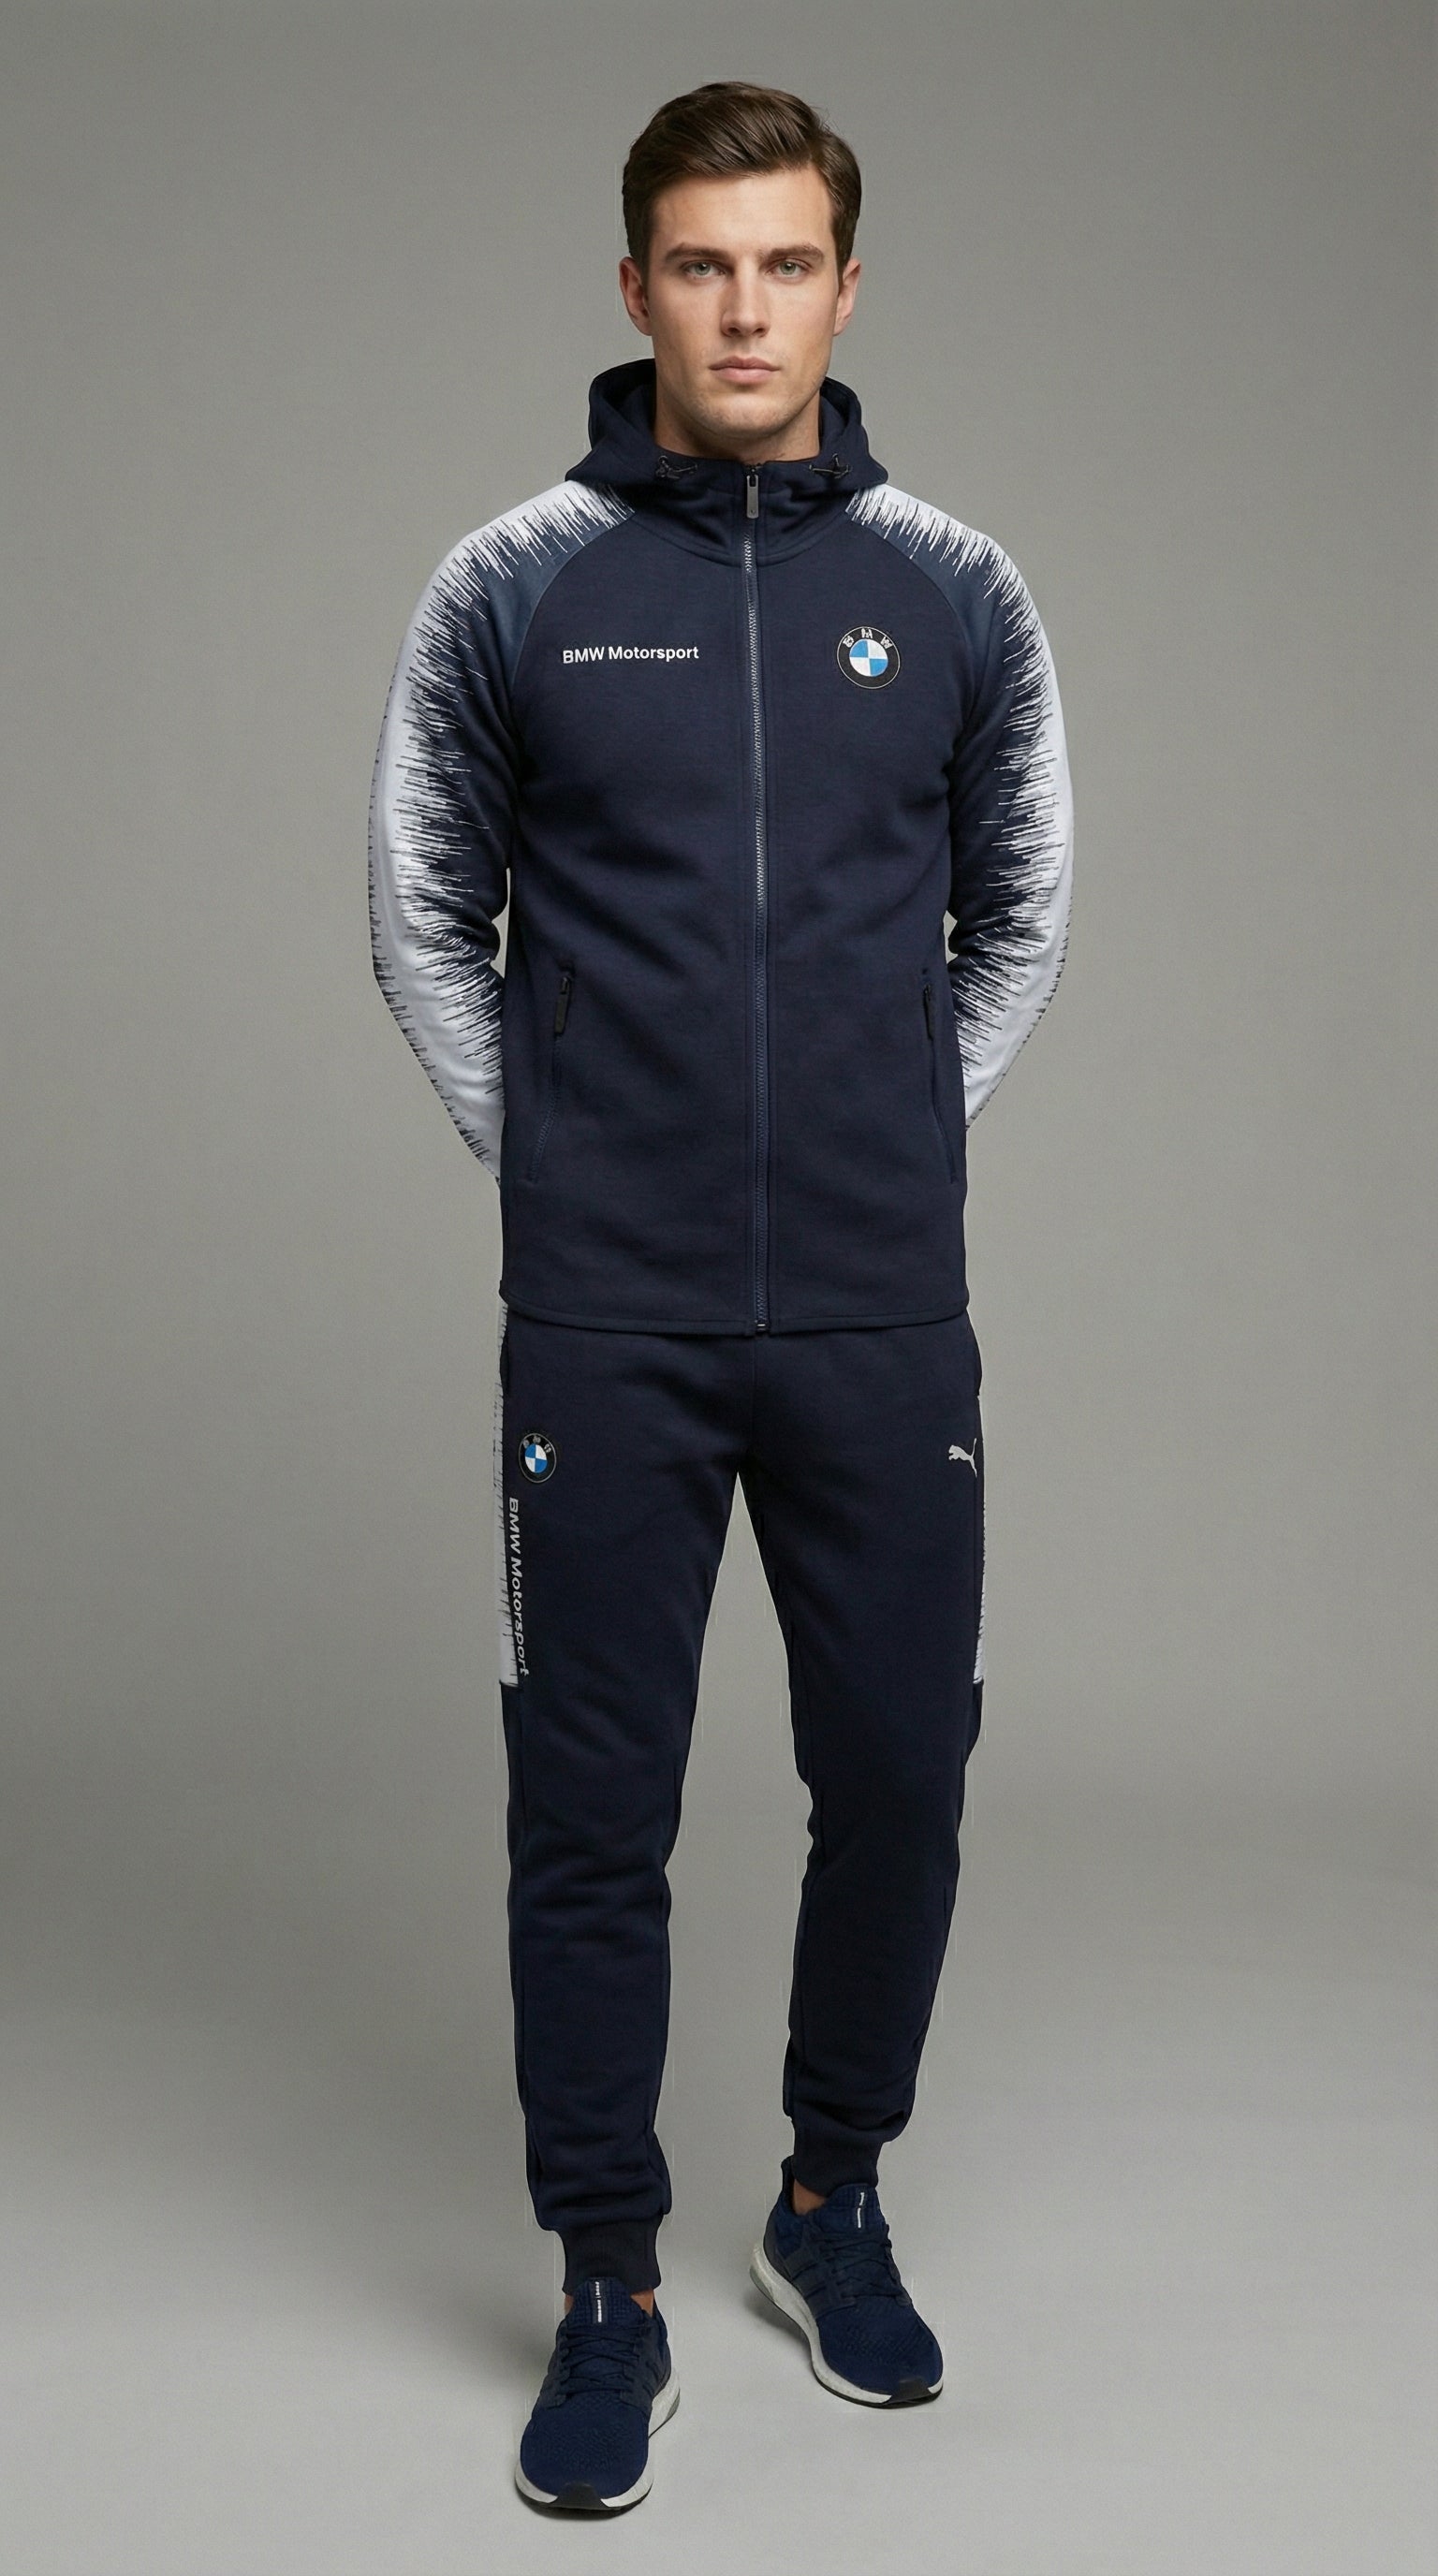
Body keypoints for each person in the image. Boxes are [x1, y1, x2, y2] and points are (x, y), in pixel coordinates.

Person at [369, 79, 1073, 2514]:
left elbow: (1023, 912)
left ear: (848, 289)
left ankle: (827, 2193)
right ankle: (608, 2279)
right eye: (701, 263)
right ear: (635, 286)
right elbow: (420, 913)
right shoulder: (513, 584)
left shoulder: (959, 590)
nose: (745, 310)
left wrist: (885, 1138)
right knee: (592, 1807)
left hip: (881, 1311)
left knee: (898, 1772)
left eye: (785, 265)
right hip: (607, 1318)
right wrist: (571, 1160)